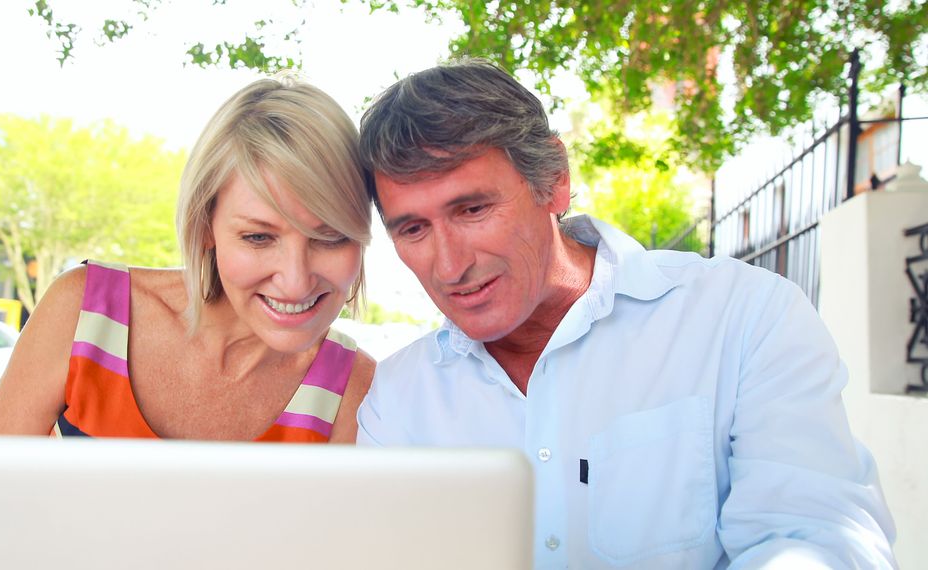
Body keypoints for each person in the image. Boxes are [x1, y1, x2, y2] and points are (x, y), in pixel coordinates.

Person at [355, 59, 897, 568]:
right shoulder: (399, 397)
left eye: (472, 209)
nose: (449, 265)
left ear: (554, 180)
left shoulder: (742, 318)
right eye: (413, 229)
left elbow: (815, 538)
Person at [0, 76, 375, 443]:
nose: (296, 281)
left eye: (331, 237)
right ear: (205, 225)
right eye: (258, 237)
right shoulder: (84, 313)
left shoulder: (357, 391)